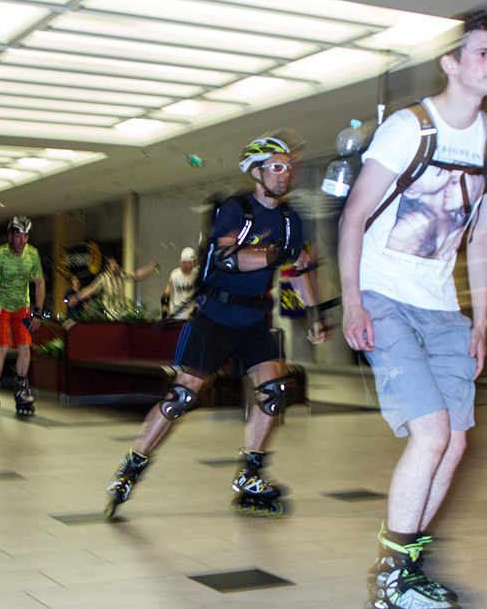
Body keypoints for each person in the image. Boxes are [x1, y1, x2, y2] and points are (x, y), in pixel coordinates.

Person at [338, 8, 487, 609]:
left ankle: (405, 567)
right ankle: (393, 574)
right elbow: (354, 217)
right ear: (451, 63)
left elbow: (483, 239)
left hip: (443, 308)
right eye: (483, 53)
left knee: (456, 443)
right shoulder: (408, 129)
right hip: (384, 296)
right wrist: (353, 302)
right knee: (432, 432)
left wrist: (481, 320)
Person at [104, 134, 327, 519]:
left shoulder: (291, 219)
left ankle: (250, 476)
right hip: (214, 317)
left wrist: (316, 314)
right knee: (181, 398)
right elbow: (225, 258)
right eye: (276, 167)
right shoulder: (236, 209)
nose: (284, 173)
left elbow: (300, 268)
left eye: (288, 167)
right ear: (256, 172)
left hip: (254, 320)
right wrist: (274, 253)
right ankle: (131, 467)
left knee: (273, 392)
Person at [0, 216, 45, 416]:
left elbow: (40, 283)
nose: (22, 241)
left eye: (25, 236)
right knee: (2, 347)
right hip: (0, 305)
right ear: (10, 236)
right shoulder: (1, 255)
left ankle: (21, 389)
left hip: (22, 306)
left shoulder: (32, 254)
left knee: (25, 346)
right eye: (18, 236)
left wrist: (38, 312)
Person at [61, 256, 159, 319]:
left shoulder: (121, 276)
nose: (116, 265)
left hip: (122, 313)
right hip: (111, 314)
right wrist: (77, 297)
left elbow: (136, 275)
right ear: (108, 267)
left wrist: (151, 268)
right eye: (113, 264)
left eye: (116, 263)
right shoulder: (104, 278)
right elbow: (91, 289)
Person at [161, 246, 199, 320]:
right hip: (176, 316)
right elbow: (165, 296)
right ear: (183, 262)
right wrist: (164, 315)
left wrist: (195, 312)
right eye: (190, 262)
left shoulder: (196, 274)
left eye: (193, 261)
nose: (192, 264)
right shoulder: (175, 275)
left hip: (190, 316)